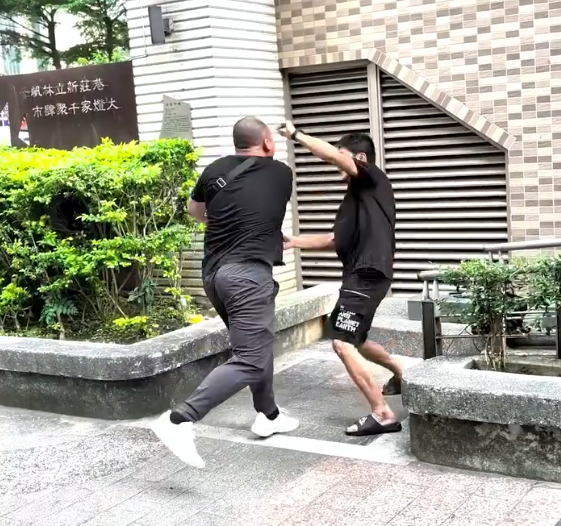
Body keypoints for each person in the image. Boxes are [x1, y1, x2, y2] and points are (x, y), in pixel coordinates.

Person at [152, 117, 299, 468]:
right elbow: (264, 209)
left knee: (255, 346)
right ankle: (179, 421)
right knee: (250, 357)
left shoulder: (214, 170)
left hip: (215, 276)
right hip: (248, 276)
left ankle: (269, 415)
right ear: (267, 143)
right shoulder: (281, 173)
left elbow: (195, 211)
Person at [278, 121, 403, 437]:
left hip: (366, 274)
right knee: (356, 339)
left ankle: (383, 414)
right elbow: (335, 240)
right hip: (364, 274)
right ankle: (402, 373)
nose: (334, 161)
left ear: (359, 158)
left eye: (341, 155)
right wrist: (293, 242)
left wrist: (296, 135)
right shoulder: (359, 197)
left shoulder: (371, 178)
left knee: (341, 342)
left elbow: (334, 157)